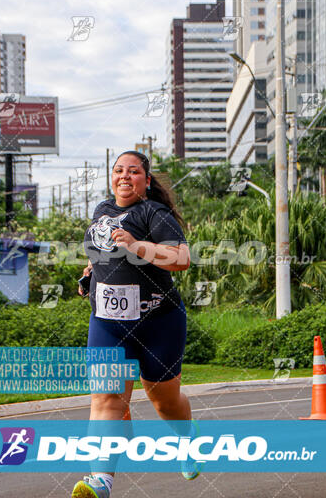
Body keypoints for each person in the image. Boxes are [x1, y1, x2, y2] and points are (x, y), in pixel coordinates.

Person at [71, 150, 200, 498]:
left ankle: (187, 440)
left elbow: (182, 258)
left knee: (165, 402)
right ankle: (100, 482)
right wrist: (90, 274)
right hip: (109, 323)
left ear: (145, 180)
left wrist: (138, 246)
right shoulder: (102, 211)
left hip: (158, 323)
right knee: (107, 397)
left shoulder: (153, 213)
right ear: (111, 177)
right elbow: (100, 254)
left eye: (133, 171)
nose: (124, 176)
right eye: (118, 170)